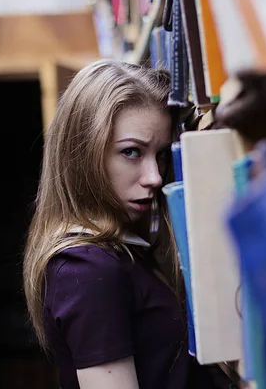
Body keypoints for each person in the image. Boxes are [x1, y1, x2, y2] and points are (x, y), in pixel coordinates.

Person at [23, 59, 205, 389]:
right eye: (132, 152)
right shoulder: (86, 268)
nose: (155, 178)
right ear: (84, 155)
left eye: (161, 155)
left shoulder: (118, 251)